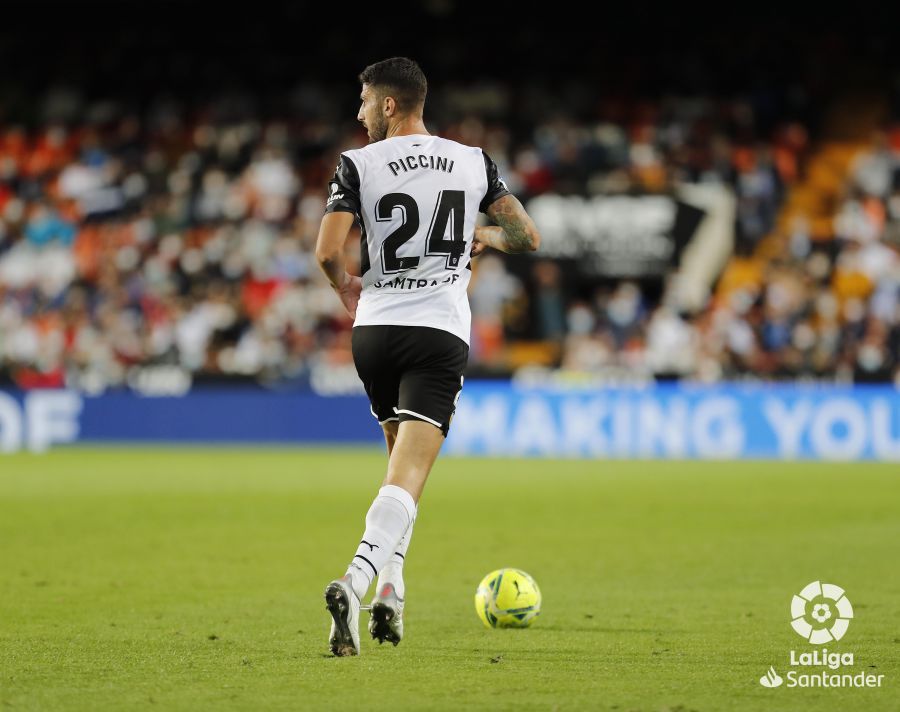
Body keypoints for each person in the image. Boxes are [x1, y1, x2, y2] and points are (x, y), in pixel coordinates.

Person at [315, 57, 540, 656]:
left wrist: (344, 286)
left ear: (389, 105)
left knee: (397, 471)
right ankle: (355, 582)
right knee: (410, 475)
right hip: (437, 332)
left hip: (375, 331)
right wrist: (481, 235)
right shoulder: (472, 161)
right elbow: (527, 236)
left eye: (365, 100)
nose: (359, 111)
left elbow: (327, 252)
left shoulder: (357, 163)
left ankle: (392, 590)